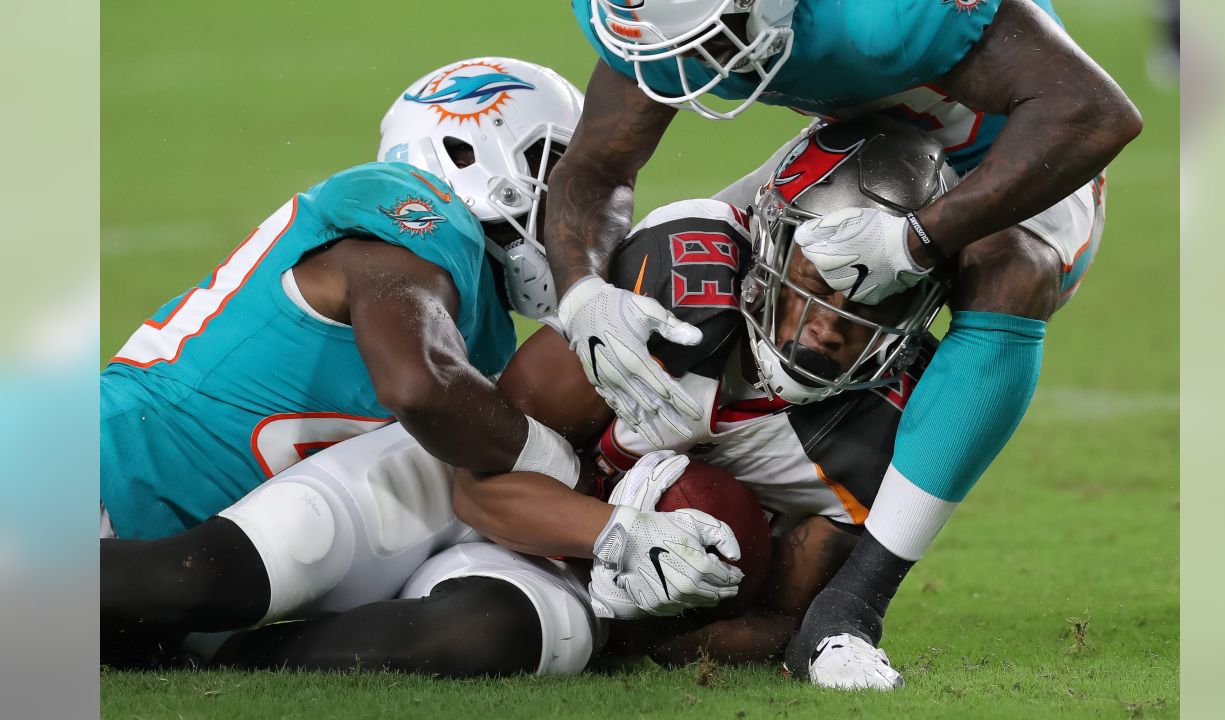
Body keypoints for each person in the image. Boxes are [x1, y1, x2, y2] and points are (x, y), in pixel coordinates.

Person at [544, 0, 1141, 688]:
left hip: (1020, 144)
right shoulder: (654, 22)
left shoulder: (891, 14)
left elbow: (1094, 113)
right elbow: (596, 170)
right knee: (681, 269)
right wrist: (583, 294)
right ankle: (553, 501)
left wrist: (921, 237)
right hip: (866, 137)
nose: (689, 67)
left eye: (714, 42)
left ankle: (851, 609)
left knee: (1011, 271)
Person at [100, 57, 742, 668]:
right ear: (494, 157)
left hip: (170, 555)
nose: (575, 203)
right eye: (561, 169)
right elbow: (418, 386)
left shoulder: (478, 328)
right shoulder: (416, 209)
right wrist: (556, 464)